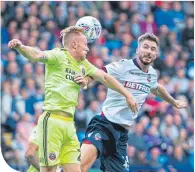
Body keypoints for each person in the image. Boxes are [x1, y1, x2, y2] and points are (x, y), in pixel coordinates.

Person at [8, 26, 137, 172]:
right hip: (52, 121)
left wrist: (127, 94)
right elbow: (37, 55)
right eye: (86, 44)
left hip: (69, 125)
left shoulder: (84, 65)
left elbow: (105, 78)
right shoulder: (58, 55)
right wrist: (21, 47)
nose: (88, 49)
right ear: (74, 44)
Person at [80, 33, 187, 172]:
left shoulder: (152, 74)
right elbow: (100, 73)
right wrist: (86, 80)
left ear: (155, 54)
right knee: (80, 166)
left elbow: (157, 89)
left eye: (153, 49)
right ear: (137, 50)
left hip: (122, 135)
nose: (149, 51)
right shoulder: (123, 66)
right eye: (146, 47)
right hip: (104, 125)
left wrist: (173, 102)